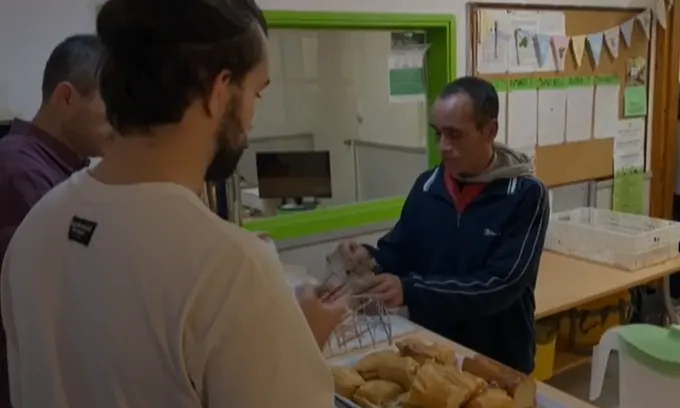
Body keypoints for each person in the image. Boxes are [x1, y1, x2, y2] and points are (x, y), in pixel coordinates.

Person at [1, 1, 346, 407]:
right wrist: (296, 344)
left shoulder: (36, 228)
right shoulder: (233, 271)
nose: (253, 116)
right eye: (256, 91)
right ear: (219, 91)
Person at [340, 76, 550, 374]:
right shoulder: (428, 185)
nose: (443, 146)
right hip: (431, 349)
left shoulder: (525, 195)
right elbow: (399, 252)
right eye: (438, 134)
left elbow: (501, 284)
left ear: (489, 130)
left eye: (455, 135)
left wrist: (410, 290)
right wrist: (369, 258)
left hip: (497, 360)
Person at [0, 33, 113, 407]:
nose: (117, 122)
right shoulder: (20, 171)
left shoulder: (64, 170)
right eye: (109, 105)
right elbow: (70, 282)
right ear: (66, 97)